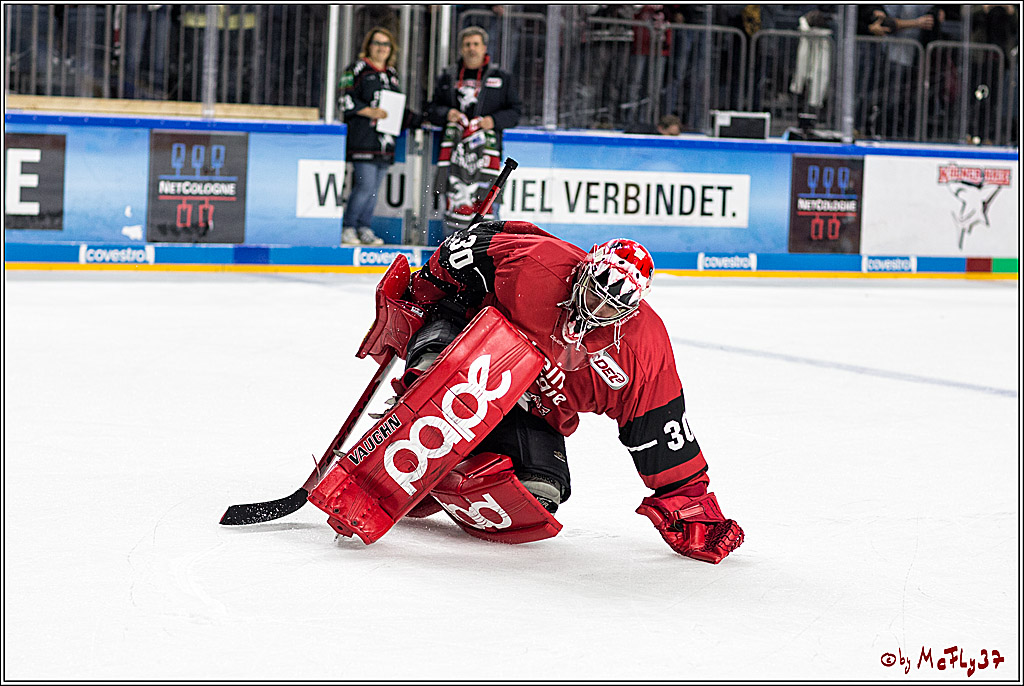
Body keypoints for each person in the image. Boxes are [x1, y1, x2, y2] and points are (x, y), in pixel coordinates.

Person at [389, 219, 744, 563]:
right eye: (594, 292)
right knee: (440, 374)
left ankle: (439, 480)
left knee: (539, 493)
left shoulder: (642, 349)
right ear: (583, 271)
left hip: (525, 405)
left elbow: (662, 433)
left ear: (631, 311)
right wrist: (425, 293)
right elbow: (463, 248)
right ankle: (417, 404)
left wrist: (692, 508)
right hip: (468, 347)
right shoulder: (537, 262)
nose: (596, 309)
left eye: (611, 306)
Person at [426, 26, 522, 236]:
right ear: (461, 48)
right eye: (467, 45)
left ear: (485, 48)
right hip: (454, 156)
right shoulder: (448, 77)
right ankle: (449, 250)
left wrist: (493, 120)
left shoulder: (501, 77)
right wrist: (447, 114)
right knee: (454, 200)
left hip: (486, 155)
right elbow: (431, 110)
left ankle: (486, 248)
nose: (472, 49)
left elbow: (516, 112)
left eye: (476, 44)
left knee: (488, 199)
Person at [340, 27, 406, 246]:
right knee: (365, 185)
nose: (381, 48)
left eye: (386, 44)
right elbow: (343, 98)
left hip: (385, 142)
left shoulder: (392, 74)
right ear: (368, 45)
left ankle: (364, 227)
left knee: (374, 189)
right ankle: (349, 227)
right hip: (363, 140)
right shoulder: (357, 68)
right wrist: (370, 111)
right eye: (377, 43)